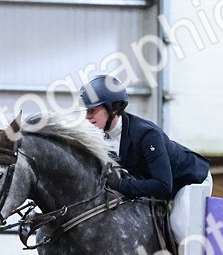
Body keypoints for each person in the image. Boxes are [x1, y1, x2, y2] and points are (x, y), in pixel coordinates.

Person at [79, 74, 212, 243]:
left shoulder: (146, 134)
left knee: (179, 226)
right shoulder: (102, 139)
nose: (87, 117)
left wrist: (121, 185)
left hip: (190, 181)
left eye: (92, 110)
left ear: (113, 108)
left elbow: (163, 185)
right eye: (86, 111)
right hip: (157, 186)